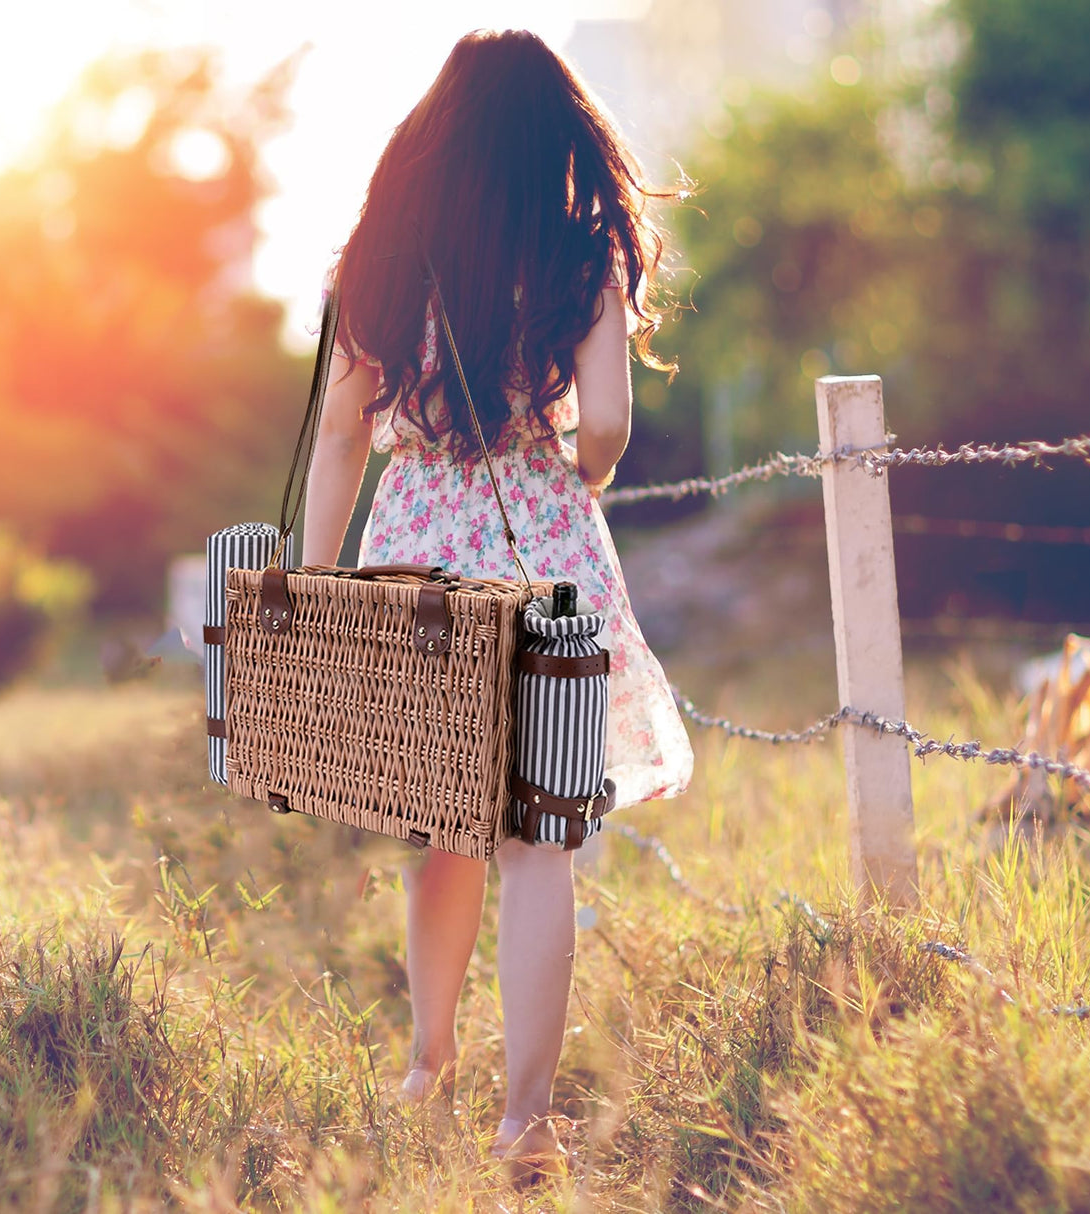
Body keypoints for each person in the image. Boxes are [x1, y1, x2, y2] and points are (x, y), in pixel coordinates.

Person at [300, 28, 693, 1175]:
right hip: (544, 555)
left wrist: (321, 587)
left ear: (437, 132)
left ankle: (428, 1063)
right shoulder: (578, 257)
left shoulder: (375, 254)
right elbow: (609, 425)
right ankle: (526, 1117)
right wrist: (576, 472)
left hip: (413, 550)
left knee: (441, 827)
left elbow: (335, 435)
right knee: (539, 845)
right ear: (552, 137)